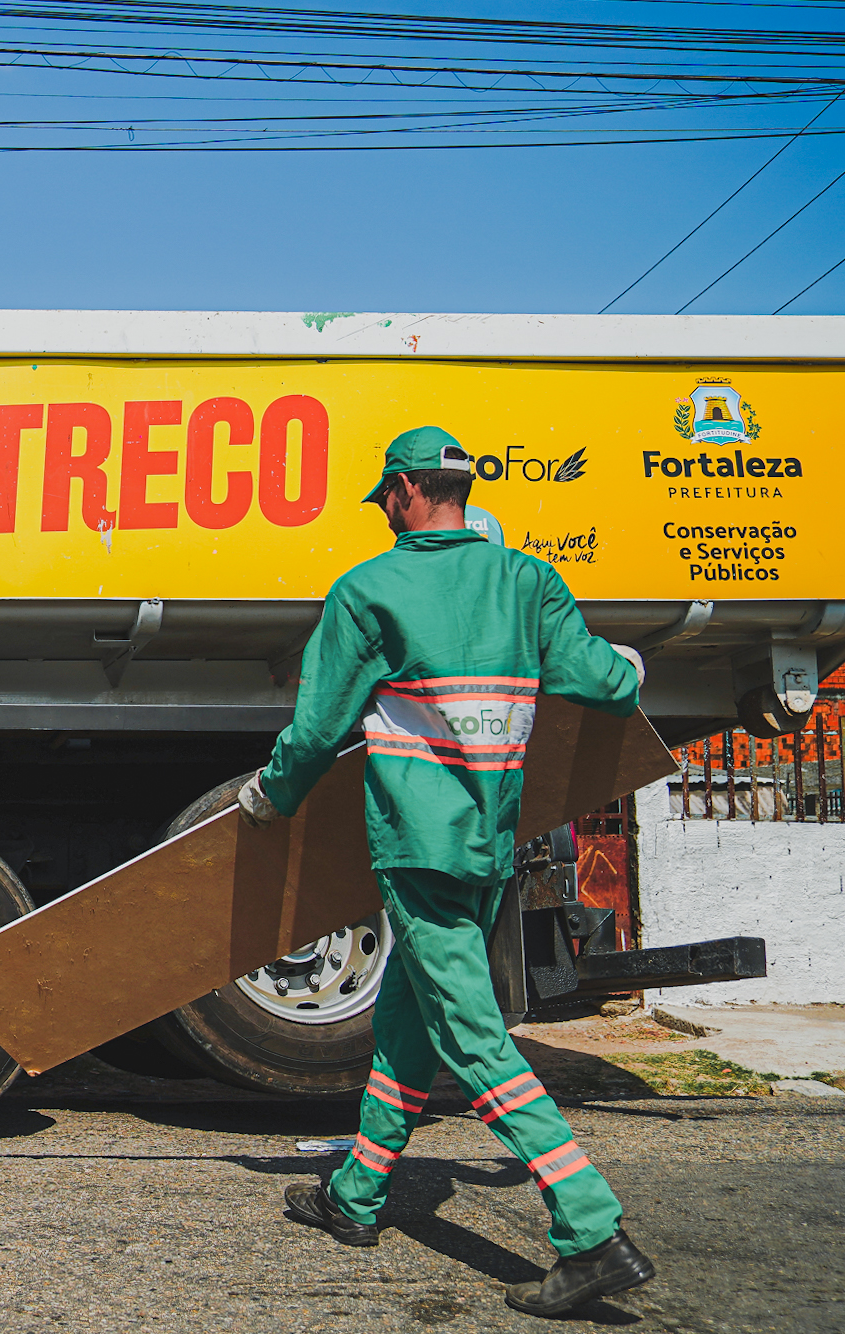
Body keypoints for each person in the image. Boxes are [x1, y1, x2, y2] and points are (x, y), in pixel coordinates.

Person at [237, 426, 656, 1318]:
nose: (386, 508)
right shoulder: (527, 580)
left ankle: (590, 1227)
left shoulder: (370, 589)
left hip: (418, 847)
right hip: (489, 844)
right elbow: (598, 678)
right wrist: (630, 664)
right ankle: (356, 1195)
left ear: (404, 492)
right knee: (408, 1010)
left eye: (387, 495)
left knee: (471, 1038)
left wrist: (271, 797)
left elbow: (316, 732)